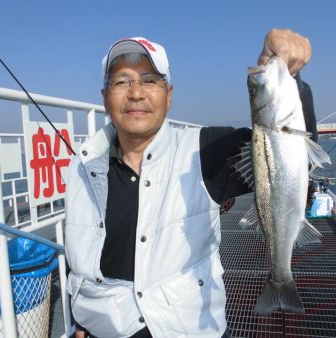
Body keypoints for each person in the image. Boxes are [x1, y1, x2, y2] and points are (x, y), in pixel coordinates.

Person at [65, 29, 315, 338]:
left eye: (149, 80)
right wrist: (82, 321)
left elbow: (290, 157)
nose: (136, 92)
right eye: (121, 81)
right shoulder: (81, 165)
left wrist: (291, 78)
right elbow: (81, 260)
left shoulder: (205, 150)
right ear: (104, 98)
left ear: (169, 96)